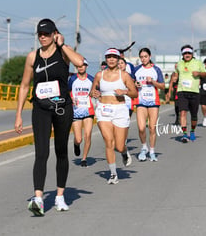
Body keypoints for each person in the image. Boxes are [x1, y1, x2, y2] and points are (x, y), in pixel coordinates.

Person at [14, 18, 84, 216]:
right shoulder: (32, 57)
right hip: (41, 108)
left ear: (55, 34)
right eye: (40, 34)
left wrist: (63, 45)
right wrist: (18, 114)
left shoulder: (63, 52)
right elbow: (25, 86)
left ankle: (60, 196)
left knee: (61, 151)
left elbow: (80, 62)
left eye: (47, 34)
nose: (43, 37)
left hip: (62, 108)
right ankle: (38, 198)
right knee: (41, 152)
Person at [90, 48, 138, 184]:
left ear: (118, 59)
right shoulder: (99, 75)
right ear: (106, 59)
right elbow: (92, 91)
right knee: (108, 141)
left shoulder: (124, 76)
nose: (111, 59)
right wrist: (94, 93)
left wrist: (124, 91)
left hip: (120, 110)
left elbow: (135, 93)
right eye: (108, 57)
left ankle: (124, 152)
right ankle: (113, 173)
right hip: (104, 110)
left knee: (119, 145)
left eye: (114, 57)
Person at [133, 48, 165, 161]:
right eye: (141, 57)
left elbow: (162, 86)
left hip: (153, 102)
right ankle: (144, 147)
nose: (143, 59)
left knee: (152, 128)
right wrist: (135, 84)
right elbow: (130, 82)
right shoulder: (136, 69)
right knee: (141, 128)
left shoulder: (156, 69)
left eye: (145, 56)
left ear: (150, 56)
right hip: (141, 101)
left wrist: (153, 82)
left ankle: (152, 151)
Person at [175, 45, 206, 143]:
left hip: (194, 92)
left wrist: (199, 73)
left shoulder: (198, 63)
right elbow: (176, 75)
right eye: (185, 53)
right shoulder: (179, 64)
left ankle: (192, 131)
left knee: (194, 115)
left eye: (189, 53)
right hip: (182, 91)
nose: (187, 55)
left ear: (192, 54)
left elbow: (205, 74)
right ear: (182, 54)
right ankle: (184, 134)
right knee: (183, 112)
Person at [68, 59, 95, 168]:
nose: (81, 67)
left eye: (83, 65)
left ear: (86, 66)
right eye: (78, 66)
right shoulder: (72, 79)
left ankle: (84, 158)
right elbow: (68, 92)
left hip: (88, 110)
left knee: (88, 135)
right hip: (76, 111)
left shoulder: (91, 79)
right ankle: (76, 144)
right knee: (79, 139)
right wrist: (71, 99)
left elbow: (96, 91)